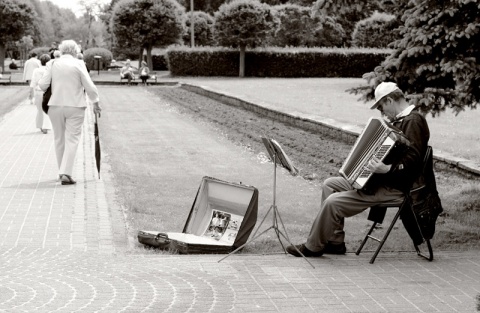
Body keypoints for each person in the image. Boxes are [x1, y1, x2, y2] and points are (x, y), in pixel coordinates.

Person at [286, 82, 430, 257]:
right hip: (379, 182)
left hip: (394, 188)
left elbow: (413, 162)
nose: (382, 112)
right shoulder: (400, 121)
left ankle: (313, 247)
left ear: (390, 100)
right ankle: (335, 242)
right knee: (330, 185)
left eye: (381, 107)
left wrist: (386, 169)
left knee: (333, 202)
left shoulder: (413, 121)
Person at [39, 40, 102, 186]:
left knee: (59, 139)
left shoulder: (52, 64)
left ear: (61, 50)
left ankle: (62, 172)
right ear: (75, 51)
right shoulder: (79, 64)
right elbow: (89, 86)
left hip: (55, 105)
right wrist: (96, 102)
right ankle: (65, 172)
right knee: (72, 139)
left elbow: (42, 85)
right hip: (75, 106)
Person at [30, 54, 52, 134]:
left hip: (38, 91)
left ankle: (40, 125)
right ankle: (46, 126)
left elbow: (33, 82)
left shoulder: (36, 70)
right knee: (47, 109)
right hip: (47, 92)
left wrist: (31, 94)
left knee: (39, 109)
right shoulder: (50, 70)